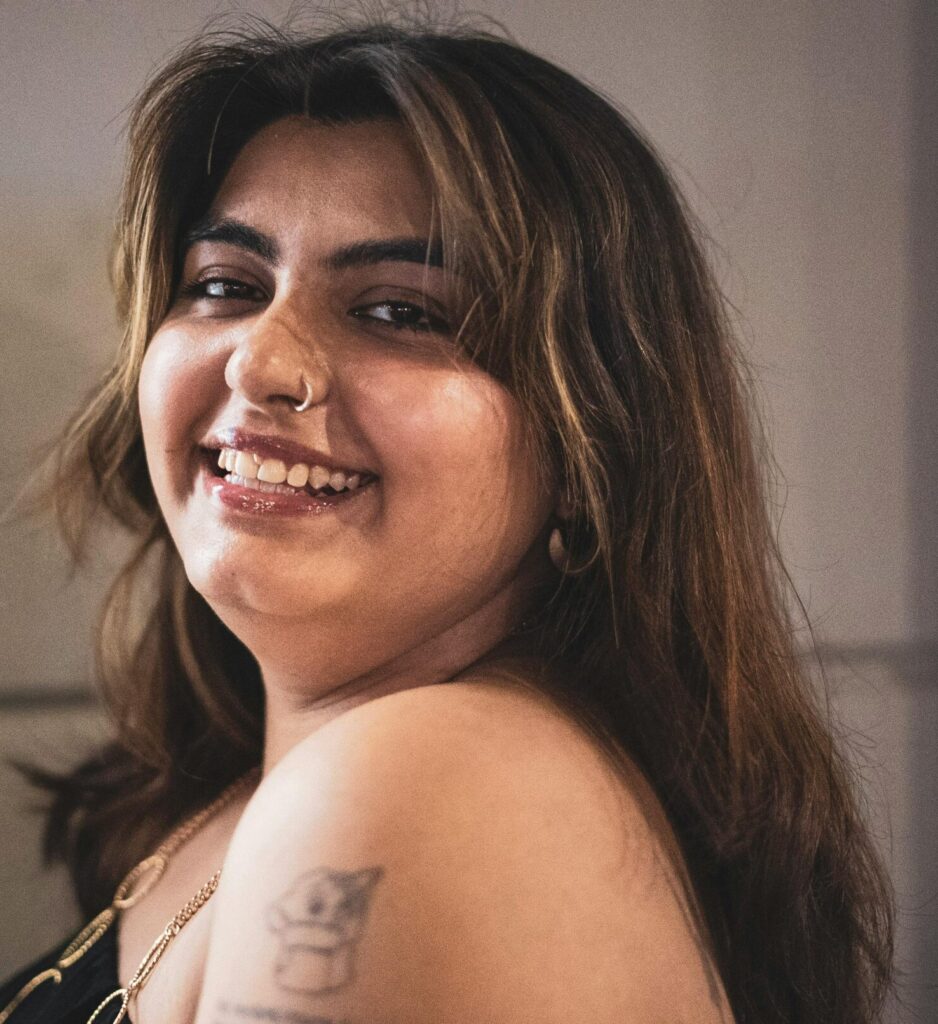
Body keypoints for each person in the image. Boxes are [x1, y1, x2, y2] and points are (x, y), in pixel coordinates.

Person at [0, 16, 894, 1024]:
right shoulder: (238, 786)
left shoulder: (412, 789)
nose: (259, 361)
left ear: (587, 451)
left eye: (400, 311)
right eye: (223, 285)